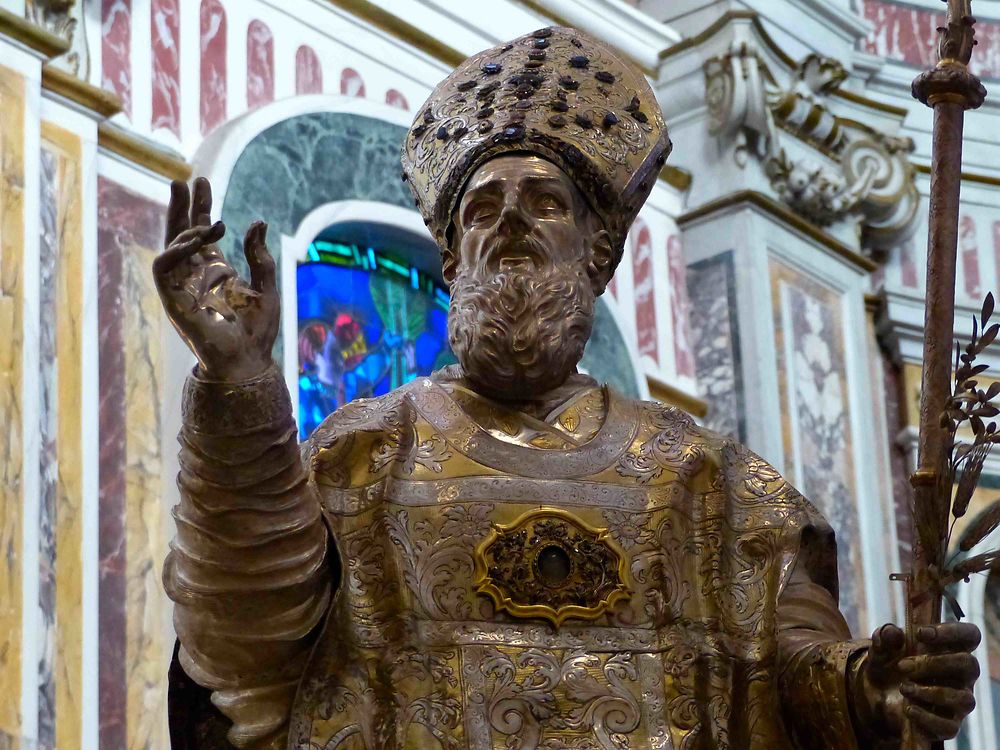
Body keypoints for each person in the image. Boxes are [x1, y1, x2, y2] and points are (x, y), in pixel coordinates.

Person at [154, 27, 981, 750]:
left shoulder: (711, 481)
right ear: (452, 262)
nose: (508, 220)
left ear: (597, 252)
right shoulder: (362, 453)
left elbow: (794, 668)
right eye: (481, 209)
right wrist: (240, 389)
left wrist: (868, 693)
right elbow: (241, 630)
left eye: (543, 201)